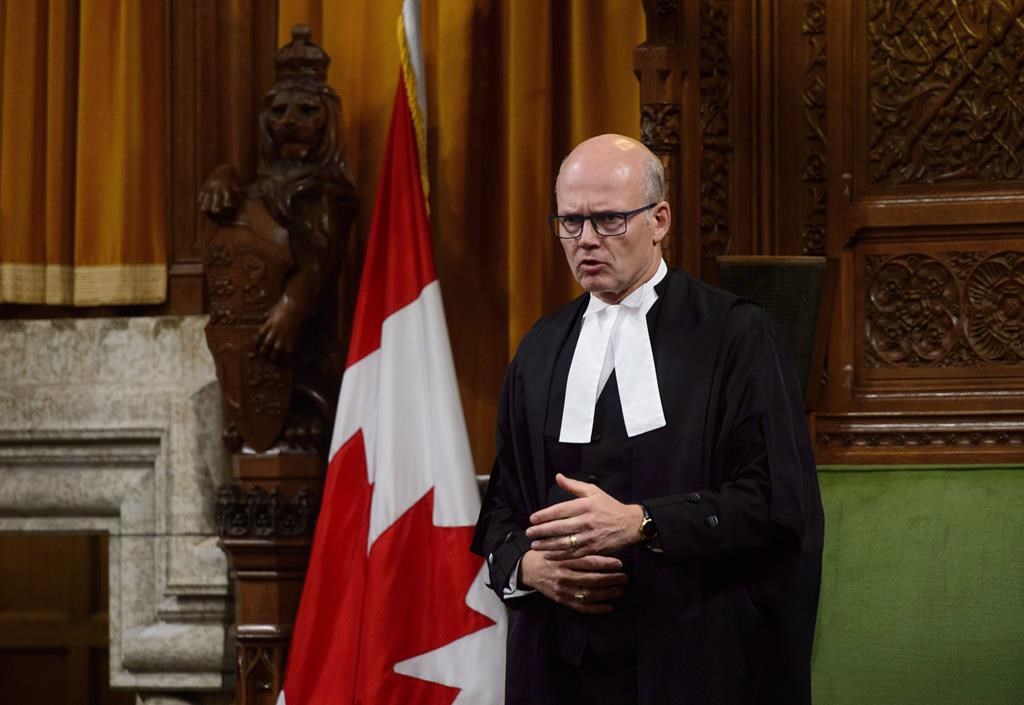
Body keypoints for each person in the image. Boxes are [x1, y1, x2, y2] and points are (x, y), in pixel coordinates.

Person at [472, 134, 824, 705]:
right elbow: (502, 511)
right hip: (561, 666)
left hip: (693, 660)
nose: (585, 240)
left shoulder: (737, 336)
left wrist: (643, 524)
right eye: (569, 222)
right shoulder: (539, 349)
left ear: (659, 220)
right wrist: (527, 567)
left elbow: (776, 503)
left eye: (609, 220)